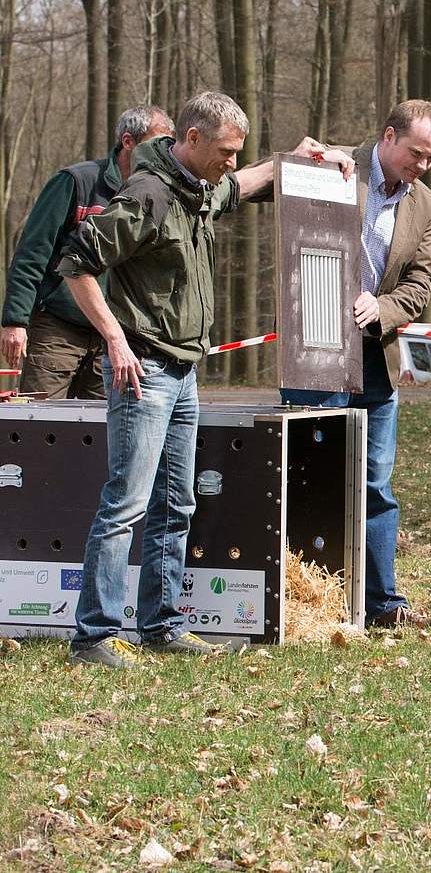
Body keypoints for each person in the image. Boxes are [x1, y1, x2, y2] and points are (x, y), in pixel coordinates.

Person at [56, 91, 353, 668]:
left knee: (176, 504)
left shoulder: (194, 190)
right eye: (225, 151)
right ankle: (93, 636)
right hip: (144, 369)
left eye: (238, 151)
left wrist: (294, 159)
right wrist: (114, 339)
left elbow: (239, 188)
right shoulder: (147, 195)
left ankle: (162, 624)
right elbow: (77, 261)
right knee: (126, 503)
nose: (232, 163)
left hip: (184, 371)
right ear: (191, 139)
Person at [281, 99, 431, 630]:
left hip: (376, 354)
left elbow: (420, 284)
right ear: (388, 136)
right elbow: (266, 192)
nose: (421, 166)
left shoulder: (425, 205)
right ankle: (297, 602)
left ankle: (382, 604)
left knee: (375, 481)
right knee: (306, 473)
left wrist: (383, 308)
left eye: (430, 159)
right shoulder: (333, 167)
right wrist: (299, 159)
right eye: (415, 153)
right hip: (316, 351)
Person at [1, 106, 176, 397]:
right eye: (155, 142)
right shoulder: (76, 182)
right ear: (128, 141)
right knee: (41, 424)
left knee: (102, 430)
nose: (161, 152)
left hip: (116, 337)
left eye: (167, 145)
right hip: (58, 329)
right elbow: (32, 253)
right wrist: (15, 321)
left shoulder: (156, 195)